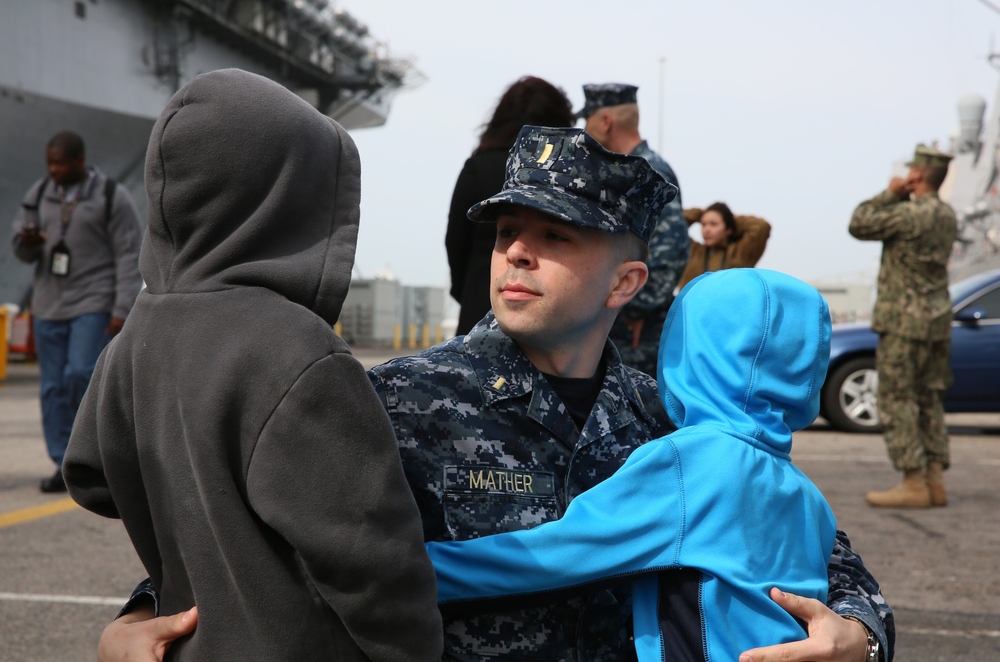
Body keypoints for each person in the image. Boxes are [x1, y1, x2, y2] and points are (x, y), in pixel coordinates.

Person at [97, 126, 893, 662]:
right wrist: (139, 616)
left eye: (557, 236)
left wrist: (858, 635)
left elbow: (822, 558)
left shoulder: (673, 417)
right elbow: (255, 532)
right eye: (509, 228)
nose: (517, 250)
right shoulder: (396, 399)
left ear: (627, 279)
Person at [61, 69, 443, 660]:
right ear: (286, 200)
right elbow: (373, 562)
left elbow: (89, 474)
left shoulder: (133, 339)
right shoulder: (298, 351)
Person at [426, 268, 841, 662]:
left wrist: (406, 569)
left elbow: (560, 555)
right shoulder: (808, 495)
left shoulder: (691, 462)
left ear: (688, 354)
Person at [10, 130, 143, 493]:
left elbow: (129, 254)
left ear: (79, 162)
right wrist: (28, 242)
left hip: (93, 302)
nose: (53, 170)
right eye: (49, 163)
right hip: (49, 306)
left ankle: (99, 458)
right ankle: (63, 463)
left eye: (59, 163)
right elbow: (19, 249)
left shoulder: (111, 196)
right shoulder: (38, 195)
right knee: (52, 388)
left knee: (81, 373)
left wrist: (122, 308)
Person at [849, 144, 957, 509]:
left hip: (903, 320)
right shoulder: (947, 215)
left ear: (918, 175)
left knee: (897, 397)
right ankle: (934, 480)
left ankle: (913, 481)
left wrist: (891, 193)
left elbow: (859, 222)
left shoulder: (909, 215)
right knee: (928, 397)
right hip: (937, 318)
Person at [446, 76, 574, 335]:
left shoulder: (477, 168)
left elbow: (455, 244)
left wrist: (474, 294)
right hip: (547, 324)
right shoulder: (566, 176)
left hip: (478, 314)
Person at [578, 83, 690, 377]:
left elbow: (671, 251)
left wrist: (636, 309)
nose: (584, 130)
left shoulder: (647, 171)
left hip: (637, 332)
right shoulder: (621, 170)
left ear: (605, 121)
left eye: (586, 121)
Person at [677, 201, 772, 290]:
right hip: (691, 307)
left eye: (713, 224)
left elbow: (761, 227)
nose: (706, 229)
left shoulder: (741, 251)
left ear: (728, 230)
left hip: (731, 307)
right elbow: (674, 224)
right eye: (703, 224)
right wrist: (700, 213)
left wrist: (729, 219)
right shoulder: (692, 250)